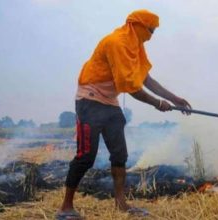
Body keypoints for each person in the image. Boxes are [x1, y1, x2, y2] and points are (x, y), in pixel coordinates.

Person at [56, 9, 191, 219]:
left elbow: (145, 79)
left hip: (109, 101)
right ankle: (66, 207)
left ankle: (121, 204)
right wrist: (157, 103)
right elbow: (130, 86)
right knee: (86, 157)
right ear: (137, 25)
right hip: (89, 100)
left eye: (154, 31)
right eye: (150, 30)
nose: (151, 36)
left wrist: (175, 99)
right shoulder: (117, 42)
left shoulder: (135, 47)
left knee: (120, 155)